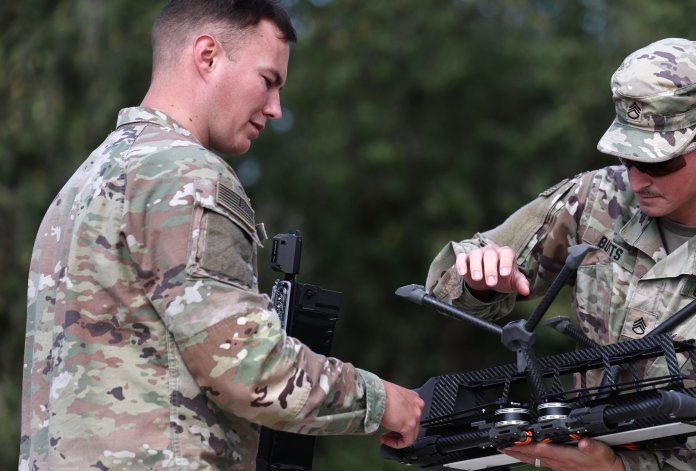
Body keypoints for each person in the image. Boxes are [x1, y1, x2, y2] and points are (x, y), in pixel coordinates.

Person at [20, 1, 423, 469]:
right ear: (208, 56)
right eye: (268, 81)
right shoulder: (188, 175)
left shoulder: (82, 184)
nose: (275, 109)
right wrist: (383, 401)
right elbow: (251, 369)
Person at [425, 38, 696, 470]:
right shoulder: (597, 199)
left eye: (659, 163)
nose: (637, 179)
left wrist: (620, 469)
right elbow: (445, 287)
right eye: (628, 157)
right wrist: (478, 281)